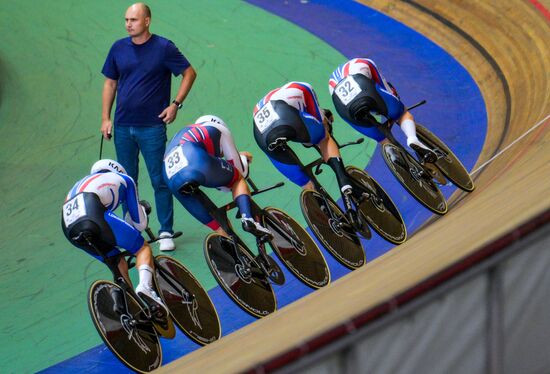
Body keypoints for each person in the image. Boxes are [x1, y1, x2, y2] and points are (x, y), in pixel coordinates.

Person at [100, 3, 197, 251]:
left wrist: (176, 104)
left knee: (159, 179)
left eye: (133, 19)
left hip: (152, 127)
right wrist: (105, 118)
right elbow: (110, 84)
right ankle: (131, 229)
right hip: (122, 126)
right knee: (125, 182)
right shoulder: (118, 48)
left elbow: (189, 73)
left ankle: (166, 231)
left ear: (147, 21)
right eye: (126, 19)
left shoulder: (164, 47)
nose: (128, 24)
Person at [61, 159, 168, 318]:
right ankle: (146, 287)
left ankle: (128, 308)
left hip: (69, 228)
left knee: (116, 261)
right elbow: (139, 224)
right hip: (94, 214)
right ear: (118, 171)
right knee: (141, 248)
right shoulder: (124, 179)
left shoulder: (79, 184)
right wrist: (142, 211)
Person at [163, 115, 272, 240]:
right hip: (195, 161)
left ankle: (237, 256)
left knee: (220, 227)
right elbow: (240, 171)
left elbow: (219, 181)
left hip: (169, 177)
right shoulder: (219, 129)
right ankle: (248, 219)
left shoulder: (188, 132)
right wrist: (242, 159)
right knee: (238, 179)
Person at [252, 81, 353, 195]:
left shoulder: (287, 94)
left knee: (306, 183)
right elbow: (320, 120)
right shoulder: (304, 87)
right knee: (324, 138)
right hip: (285, 116)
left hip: (261, 135)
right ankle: (344, 181)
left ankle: (318, 204)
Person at [328, 57, 437, 163]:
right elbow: (384, 88)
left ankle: (391, 153)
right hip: (364, 88)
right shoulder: (366, 63)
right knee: (400, 113)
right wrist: (394, 106)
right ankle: (412, 139)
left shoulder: (331, 84)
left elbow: (343, 107)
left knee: (380, 136)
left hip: (345, 109)